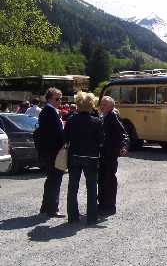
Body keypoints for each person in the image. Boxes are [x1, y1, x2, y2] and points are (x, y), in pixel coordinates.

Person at [65, 92, 104, 225]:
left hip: (75, 156)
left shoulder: (71, 120)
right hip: (91, 157)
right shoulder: (96, 121)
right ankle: (92, 217)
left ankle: (72, 216)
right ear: (91, 105)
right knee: (92, 187)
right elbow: (101, 140)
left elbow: (66, 138)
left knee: (73, 187)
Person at [98, 96, 128, 215]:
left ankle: (110, 206)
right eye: (101, 103)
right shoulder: (102, 116)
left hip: (110, 153)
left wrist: (124, 146)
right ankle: (102, 204)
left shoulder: (113, 116)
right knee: (102, 178)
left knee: (109, 179)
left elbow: (123, 133)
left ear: (111, 106)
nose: (102, 106)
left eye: (104, 104)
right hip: (102, 153)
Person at [38, 87, 65, 217]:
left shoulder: (49, 111)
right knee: (55, 179)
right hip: (53, 151)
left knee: (51, 179)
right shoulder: (49, 111)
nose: (60, 101)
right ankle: (52, 208)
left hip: (49, 150)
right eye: (57, 99)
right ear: (49, 99)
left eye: (60, 98)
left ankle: (45, 207)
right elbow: (56, 133)